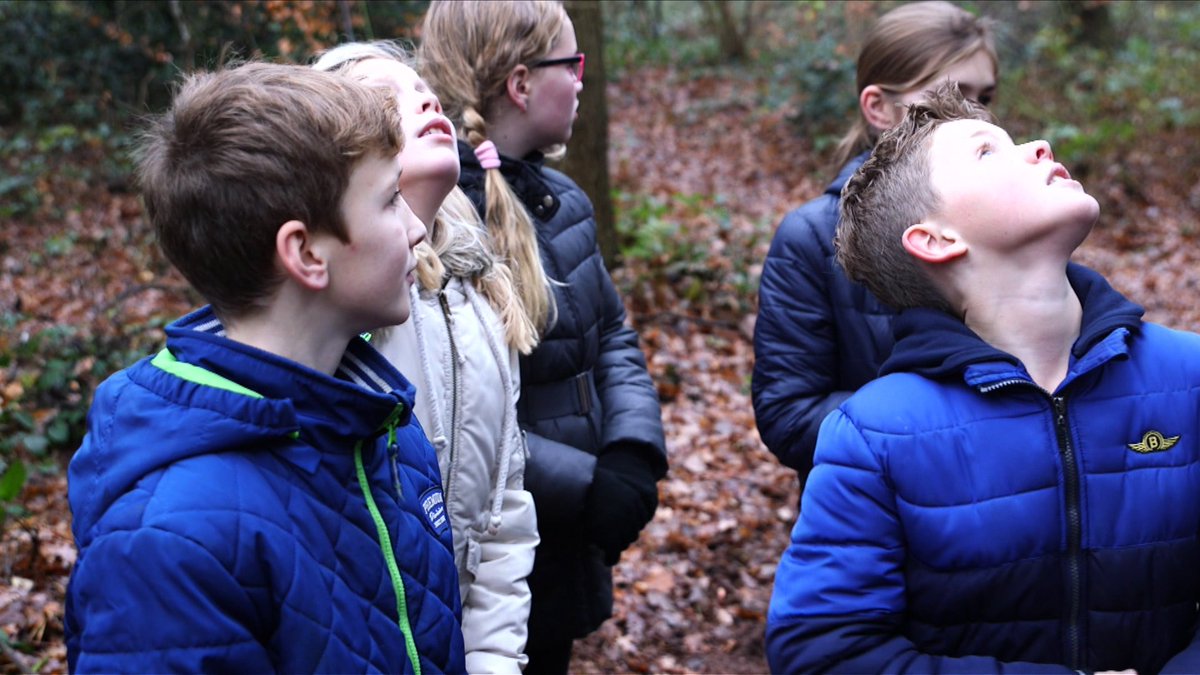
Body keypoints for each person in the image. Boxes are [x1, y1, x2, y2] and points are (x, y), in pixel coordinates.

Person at [765, 81, 1200, 674]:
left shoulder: (1189, 378)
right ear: (937, 239)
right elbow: (824, 650)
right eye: (987, 151)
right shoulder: (874, 436)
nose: (1040, 145)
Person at [63, 62, 466, 673]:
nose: (416, 229)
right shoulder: (167, 548)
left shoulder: (387, 435)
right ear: (305, 252)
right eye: (390, 201)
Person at [420, 1, 669, 671]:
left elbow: (612, 331)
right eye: (573, 63)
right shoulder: (436, 228)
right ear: (522, 84)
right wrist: (585, 487)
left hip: (563, 554)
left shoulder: (565, 201)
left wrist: (631, 451)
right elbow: (455, 407)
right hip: (493, 555)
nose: (583, 79)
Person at [313, 40, 541, 674]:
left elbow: (503, 511)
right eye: (389, 100)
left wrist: (493, 660)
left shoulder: (478, 289)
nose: (424, 99)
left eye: (422, 88)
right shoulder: (337, 303)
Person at [753, 1, 998, 493]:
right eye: (950, 96)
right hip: (876, 515)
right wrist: (952, 418)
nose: (976, 118)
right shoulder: (812, 238)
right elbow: (789, 414)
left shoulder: (1013, 219)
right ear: (878, 108)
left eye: (984, 97)